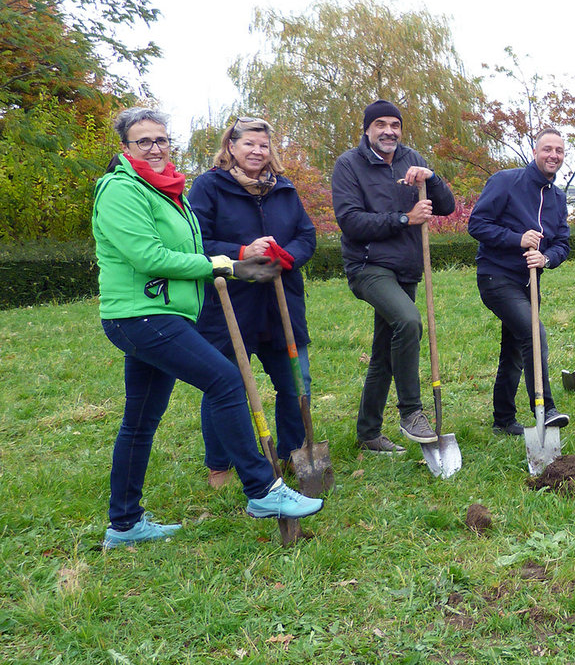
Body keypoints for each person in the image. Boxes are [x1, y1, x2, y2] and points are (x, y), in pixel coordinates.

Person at [94, 107, 322, 548]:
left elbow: (188, 244)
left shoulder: (164, 191)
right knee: (226, 380)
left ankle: (124, 525)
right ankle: (262, 491)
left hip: (162, 313)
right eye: (144, 141)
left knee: (140, 422)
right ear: (126, 148)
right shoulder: (122, 190)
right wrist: (227, 263)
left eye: (162, 139)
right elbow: (149, 257)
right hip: (140, 315)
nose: (156, 148)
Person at [190, 117, 317, 488]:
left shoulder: (284, 189)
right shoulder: (209, 187)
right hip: (231, 305)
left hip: (281, 304)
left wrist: (286, 256)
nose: (257, 152)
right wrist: (242, 252)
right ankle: (220, 465)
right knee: (225, 385)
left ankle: (294, 452)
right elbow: (196, 240)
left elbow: (307, 235)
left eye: (263, 146)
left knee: (297, 382)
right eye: (249, 144)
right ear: (231, 146)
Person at [331, 99, 456, 453]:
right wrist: (405, 218)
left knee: (385, 351)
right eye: (381, 124)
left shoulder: (412, 159)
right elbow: (350, 221)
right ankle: (411, 411)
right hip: (368, 266)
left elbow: (445, 207)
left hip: (406, 268)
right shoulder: (349, 165)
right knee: (408, 321)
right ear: (367, 129)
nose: (389, 131)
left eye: (395, 125)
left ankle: (369, 433)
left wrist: (432, 178)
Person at [468, 127, 572, 435]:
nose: (553, 155)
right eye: (547, 149)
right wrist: (517, 239)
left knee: (514, 349)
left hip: (530, 282)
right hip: (496, 276)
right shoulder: (505, 181)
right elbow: (477, 224)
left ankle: (503, 419)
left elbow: (562, 244)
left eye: (559, 151)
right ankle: (546, 408)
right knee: (533, 333)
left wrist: (546, 258)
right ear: (535, 151)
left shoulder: (558, 198)